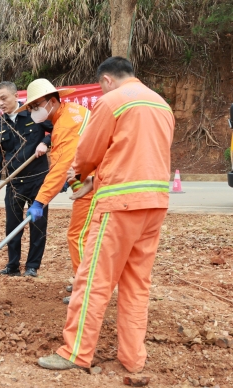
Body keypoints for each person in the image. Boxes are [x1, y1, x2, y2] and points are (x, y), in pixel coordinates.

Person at [37, 57, 174, 372]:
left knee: (93, 281)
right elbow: (136, 154)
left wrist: (80, 177)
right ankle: (133, 359)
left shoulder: (112, 101)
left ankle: (76, 353)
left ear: (108, 80)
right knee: (137, 284)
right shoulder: (162, 105)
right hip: (155, 204)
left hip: (120, 205)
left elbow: (88, 152)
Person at [17, 78, 95, 304]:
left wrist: (39, 201)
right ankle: (85, 280)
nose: (33, 111)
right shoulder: (70, 114)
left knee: (78, 236)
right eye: (31, 108)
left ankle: (86, 291)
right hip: (87, 181)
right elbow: (73, 158)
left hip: (93, 186)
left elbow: (61, 167)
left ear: (51, 101)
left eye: (35, 106)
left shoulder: (66, 124)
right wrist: (67, 181)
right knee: (85, 236)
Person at [0, 81, 53, 277]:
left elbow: (57, 130)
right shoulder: (0, 124)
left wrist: (44, 142)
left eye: (4, 98)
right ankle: (13, 266)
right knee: (12, 226)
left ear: (16, 96)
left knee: (37, 224)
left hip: (37, 181)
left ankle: (32, 266)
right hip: (14, 183)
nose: (0, 103)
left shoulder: (35, 113)